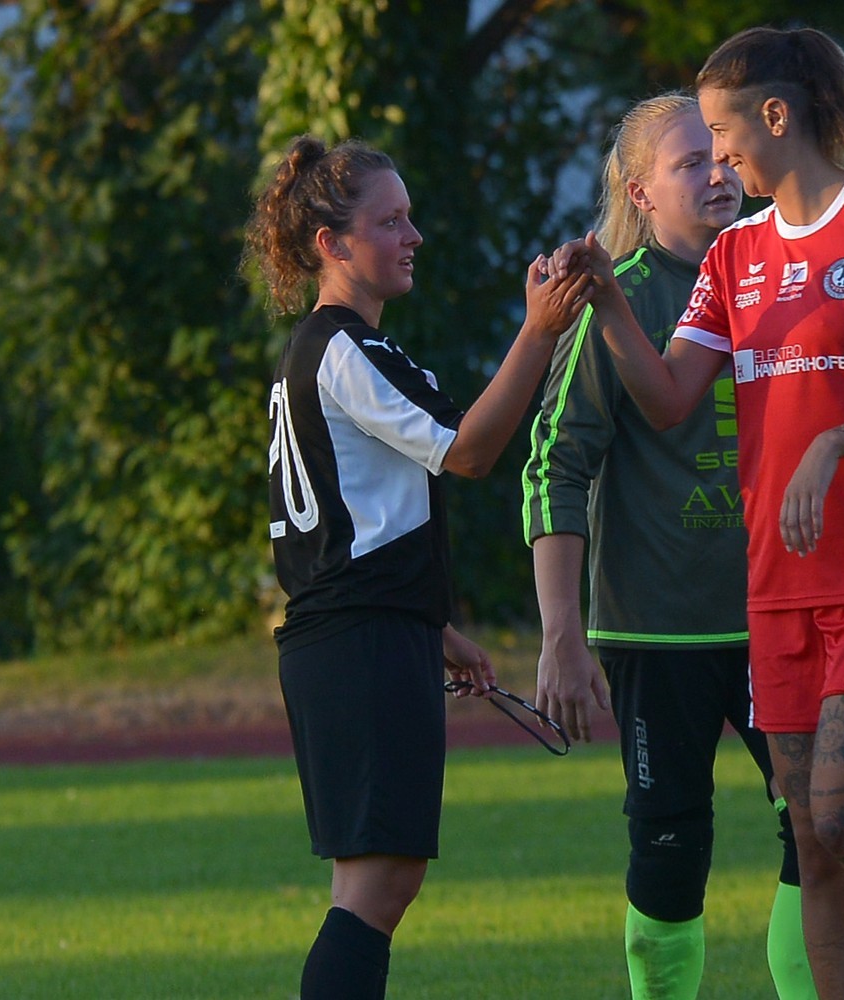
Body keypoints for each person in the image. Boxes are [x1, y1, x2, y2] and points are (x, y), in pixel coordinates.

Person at [550, 26, 844, 1000]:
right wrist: (609, 304)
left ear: (775, 116)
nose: (719, 161)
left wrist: (837, 441)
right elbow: (668, 398)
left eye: (722, 136)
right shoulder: (736, 256)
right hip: (777, 591)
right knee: (813, 839)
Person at [243, 134, 590, 1000]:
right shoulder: (342, 348)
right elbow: (468, 452)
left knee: (374, 883)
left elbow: (354, 517)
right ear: (332, 244)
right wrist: (538, 331)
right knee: (379, 885)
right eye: (390, 221)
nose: (413, 235)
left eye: (409, 216)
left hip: (363, 634)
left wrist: (432, 627)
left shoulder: (340, 348)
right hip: (355, 643)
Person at [522, 93, 816, 1000]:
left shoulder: (788, 272)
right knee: (670, 843)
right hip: (657, 630)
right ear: (640, 193)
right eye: (690, 162)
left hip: (781, 618)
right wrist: (561, 635)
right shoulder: (613, 301)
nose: (717, 174)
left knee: (823, 826)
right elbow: (554, 465)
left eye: (721, 154)